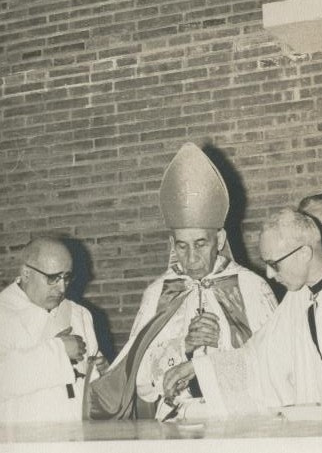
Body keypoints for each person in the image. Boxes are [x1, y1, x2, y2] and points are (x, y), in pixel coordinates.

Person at [88, 142, 276, 420]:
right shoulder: (158, 293)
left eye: (200, 244)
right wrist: (184, 346)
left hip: (238, 416)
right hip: (177, 419)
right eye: (182, 246)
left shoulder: (252, 288)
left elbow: (275, 362)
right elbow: (139, 382)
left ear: (220, 240)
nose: (191, 257)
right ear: (172, 244)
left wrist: (219, 344)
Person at [162, 208, 322, 417]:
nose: (269, 274)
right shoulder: (296, 298)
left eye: (274, 264)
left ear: (304, 253)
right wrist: (198, 368)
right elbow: (257, 358)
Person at [0, 236, 106, 423]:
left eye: (66, 277)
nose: (62, 287)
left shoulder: (79, 313)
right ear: (26, 273)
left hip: (77, 437)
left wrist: (102, 373)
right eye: (52, 278)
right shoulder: (4, 312)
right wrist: (59, 352)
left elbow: (89, 387)